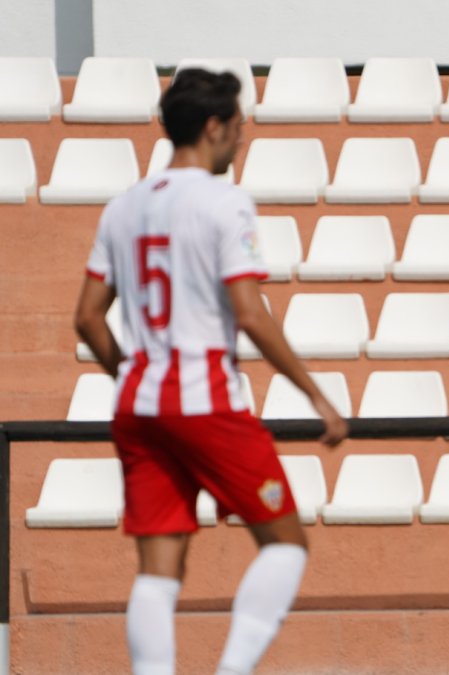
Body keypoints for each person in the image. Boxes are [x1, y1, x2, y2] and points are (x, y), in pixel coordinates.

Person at [73, 68, 348, 675]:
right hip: (206, 402)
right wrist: (319, 398)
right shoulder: (225, 201)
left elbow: (89, 319)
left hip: (138, 405)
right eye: (240, 128)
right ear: (215, 127)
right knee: (285, 545)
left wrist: (131, 374)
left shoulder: (123, 207)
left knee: (157, 571)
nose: (241, 140)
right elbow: (249, 313)